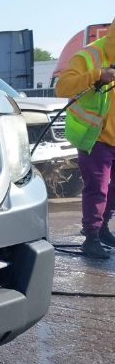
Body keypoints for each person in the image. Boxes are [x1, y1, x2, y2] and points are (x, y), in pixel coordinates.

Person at [56, 19, 115, 259]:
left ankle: (102, 229)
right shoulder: (88, 56)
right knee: (97, 189)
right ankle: (91, 237)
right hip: (95, 137)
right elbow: (62, 88)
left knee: (113, 191)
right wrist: (97, 75)